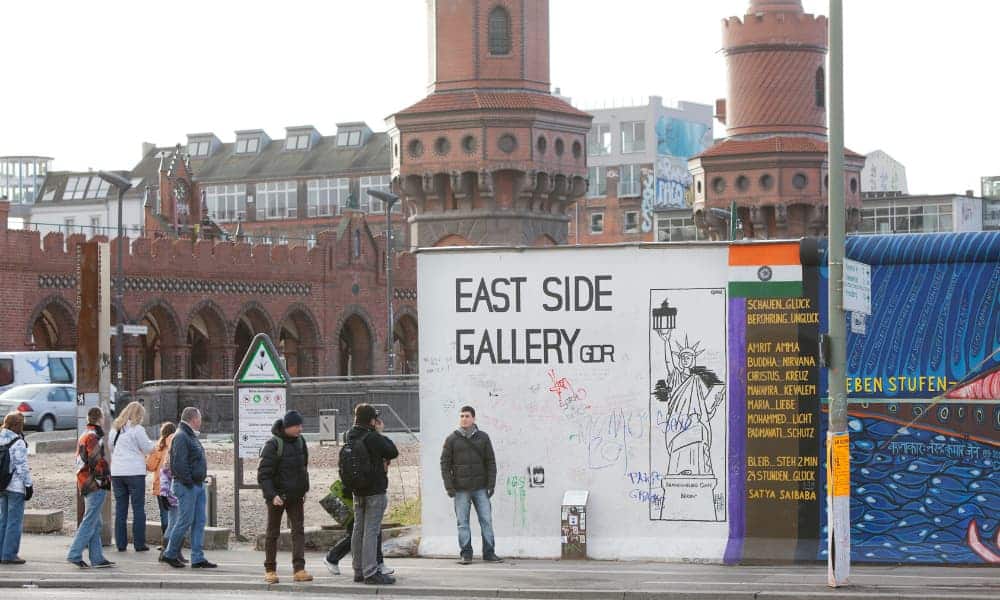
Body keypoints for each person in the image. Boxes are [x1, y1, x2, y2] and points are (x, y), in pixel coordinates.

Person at [440, 405, 502, 564]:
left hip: (481, 488)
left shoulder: (483, 437)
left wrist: (491, 484)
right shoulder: (452, 439)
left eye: (467, 416)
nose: (464, 419)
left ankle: (489, 553)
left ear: (473, 418)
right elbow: (444, 464)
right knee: (462, 523)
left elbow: (491, 462)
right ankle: (466, 554)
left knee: (486, 520)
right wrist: (449, 486)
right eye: (461, 416)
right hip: (461, 489)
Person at [257, 410, 313, 584]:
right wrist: (271, 495)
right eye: (297, 426)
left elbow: (303, 467)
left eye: (301, 425)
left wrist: (304, 489)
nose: (300, 429)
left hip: (296, 496)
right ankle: (270, 570)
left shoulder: (301, 441)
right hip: (277, 497)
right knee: (272, 533)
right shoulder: (273, 445)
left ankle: (299, 569)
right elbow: (263, 475)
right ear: (287, 427)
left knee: (298, 532)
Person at [345, 404, 398, 585]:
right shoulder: (372, 437)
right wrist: (379, 432)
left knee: (358, 530)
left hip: (357, 490)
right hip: (374, 490)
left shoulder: (349, 435)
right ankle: (370, 572)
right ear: (371, 420)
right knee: (371, 531)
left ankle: (358, 570)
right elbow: (393, 451)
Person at [161, 407, 216, 569]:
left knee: (199, 521)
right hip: (187, 486)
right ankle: (170, 553)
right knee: (184, 521)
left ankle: (197, 557)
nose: (201, 422)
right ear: (193, 419)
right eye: (199, 419)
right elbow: (178, 464)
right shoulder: (182, 436)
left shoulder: (188, 435)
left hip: (196, 485)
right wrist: (190, 482)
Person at [67, 407, 115, 569]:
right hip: (94, 483)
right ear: (100, 419)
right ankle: (74, 553)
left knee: (95, 522)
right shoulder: (93, 437)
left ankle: (97, 558)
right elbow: (97, 462)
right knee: (90, 521)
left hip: (84, 481)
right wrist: (105, 479)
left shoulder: (84, 435)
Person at [111, 401, 155, 552]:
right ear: (139, 415)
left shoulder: (115, 429)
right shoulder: (138, 430)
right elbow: (148, 448)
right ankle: (139, 543)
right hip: (135, 472)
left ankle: (121, 544)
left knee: (121, 509)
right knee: (138, 508)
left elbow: (110, 447)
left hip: (117, 472)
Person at [322, 479, 390, 577]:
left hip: (360, 493)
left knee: (370, 531)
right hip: (355, 495)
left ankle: (378, 563)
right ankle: (332, 557)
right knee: (362, 533)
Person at [0, 412, 32, 565]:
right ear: (17, 425)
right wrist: (28, 485)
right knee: (14, 521)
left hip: (1, 485)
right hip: (15, 486)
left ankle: (1, 552)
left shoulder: (0, 438)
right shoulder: (18, 442)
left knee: (3, 520)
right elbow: (22, 467)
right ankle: (9, 554)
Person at [146, 422, 178, 552]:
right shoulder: (176, 444)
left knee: (164, 514)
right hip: (173, 484)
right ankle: (171, 542)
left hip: (160, 485)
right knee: (174, 515)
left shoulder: (158, 447)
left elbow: (151, 466)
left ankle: (165, 541)